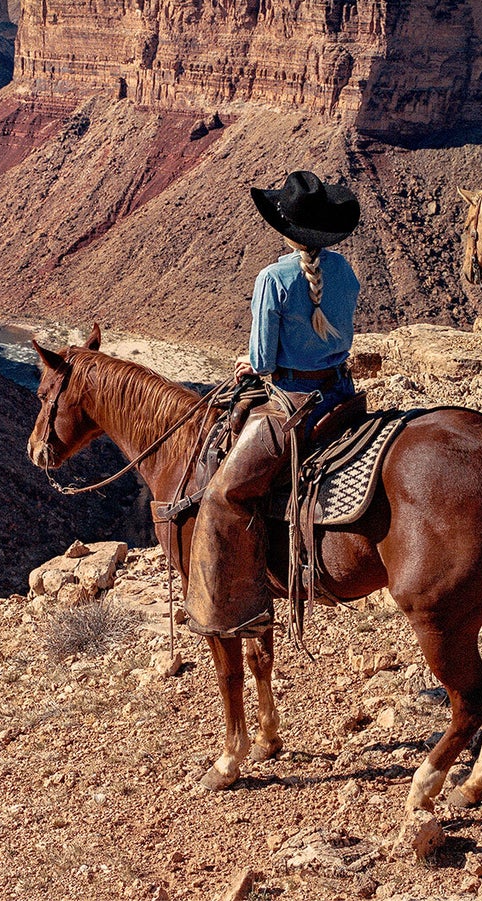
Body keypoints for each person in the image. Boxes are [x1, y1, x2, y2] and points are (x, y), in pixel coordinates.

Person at [185, 171, 362, 637]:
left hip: (294, 403)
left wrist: (249, 361)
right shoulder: (344, 270)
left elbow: (263, 360)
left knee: (225, 493)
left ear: (285, 228)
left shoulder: (274, 278)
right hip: (341, 394)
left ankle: (237, 607)